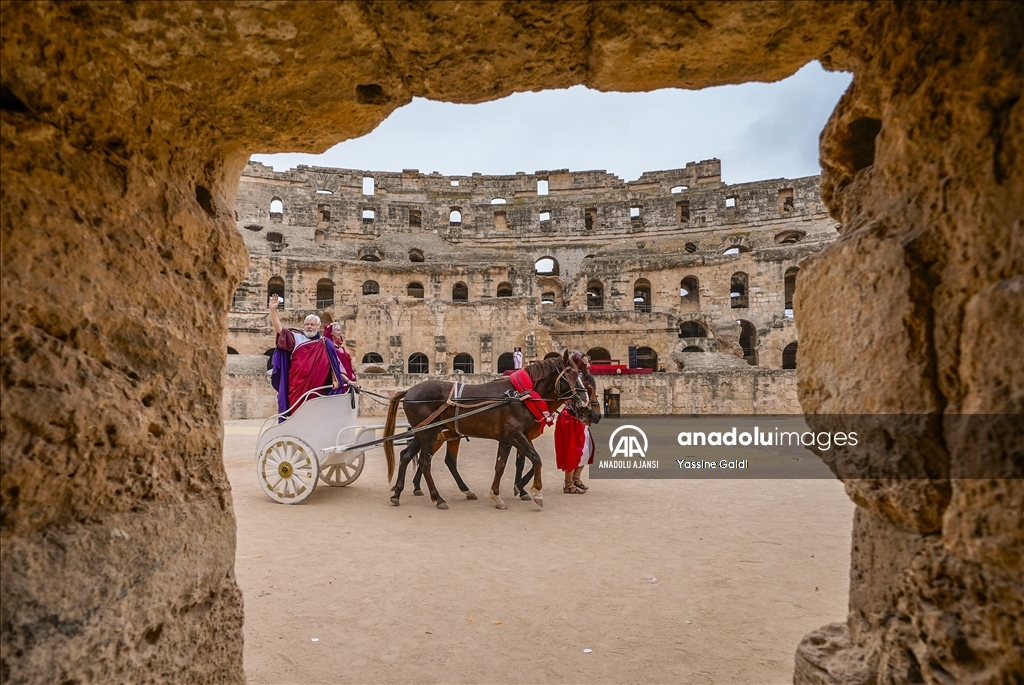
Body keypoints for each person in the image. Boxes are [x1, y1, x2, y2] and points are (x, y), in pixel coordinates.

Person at [268, 294, 344, 416]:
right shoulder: (296, 337)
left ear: (318, 327)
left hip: (318, 387)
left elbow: (335, 365)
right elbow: (279, 329)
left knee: (315, 414)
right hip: (296, 386)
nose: (309, 327)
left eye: (312, 324)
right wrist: (272, 310)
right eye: (307, 324)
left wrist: (338, 379)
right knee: (296, 412)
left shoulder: (325, 344)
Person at [554, 352, 596, 493]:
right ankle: (568, 483)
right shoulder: (572, 378)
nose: (588, 365)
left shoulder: (586, 377)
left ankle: (576, 479)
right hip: (571, 418)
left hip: (582, 418)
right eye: (585, 363)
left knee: (586, 450)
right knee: (573, 451)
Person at [325, 322, 359, 393]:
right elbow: (337, 367)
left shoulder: (341, 348)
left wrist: (353, 380)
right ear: (331, 332)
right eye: (337, 330)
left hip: (348, 382)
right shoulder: (331, 349)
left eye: (340, 330)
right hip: (341, 383)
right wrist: (348, 381)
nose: (340, 333)